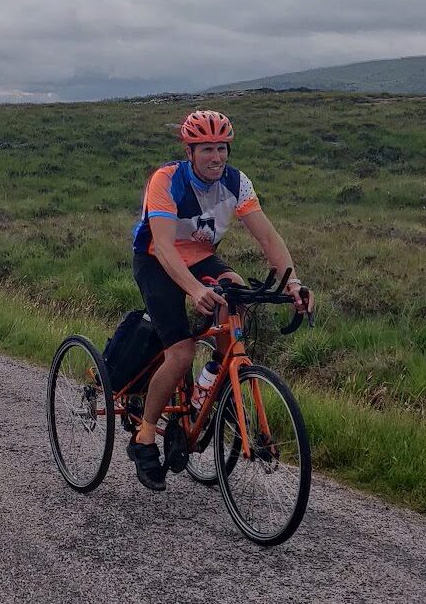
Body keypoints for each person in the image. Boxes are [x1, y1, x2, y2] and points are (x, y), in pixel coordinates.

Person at [126, 109, 313, 491]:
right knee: (179, 353)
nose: (217, 157)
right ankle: (144, 437)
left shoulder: (236, 183)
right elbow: (163, 246)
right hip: (156, 260)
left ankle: (204, 390)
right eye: (207, 148)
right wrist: (194, 290)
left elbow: (268, 237)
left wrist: (292, 283)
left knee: (237, 294)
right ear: (190, 151)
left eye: (222, 148)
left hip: (201, 256)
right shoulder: (167, 180)